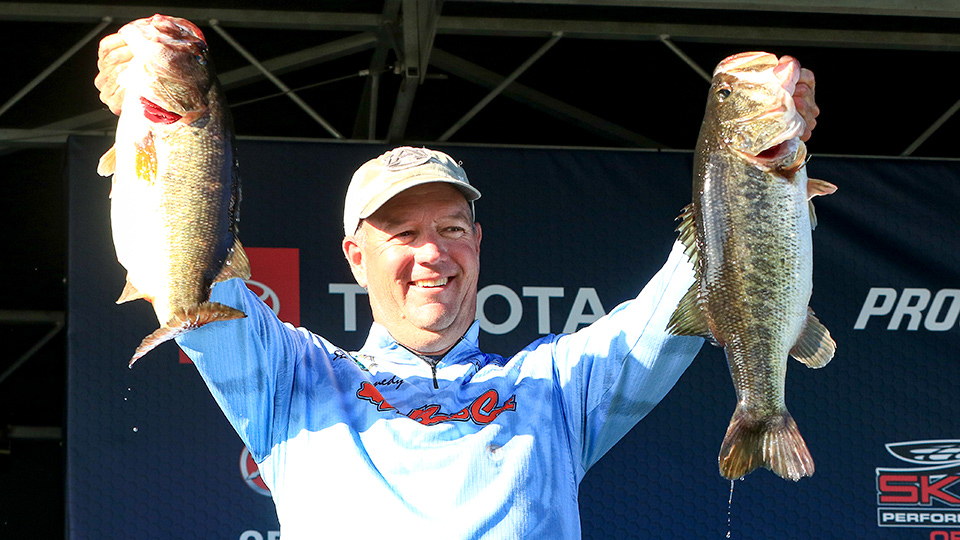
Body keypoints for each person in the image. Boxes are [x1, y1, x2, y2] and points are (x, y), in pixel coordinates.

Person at [97, 29, 819, 540]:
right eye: (401, 233)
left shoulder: (556, 388)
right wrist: (145, 98)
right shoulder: (291, 377)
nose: (431, 253)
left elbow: (696, 283)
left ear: (477, 244)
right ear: (356, 256)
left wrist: (752, 169)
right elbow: (187, 253)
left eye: (449, 227)